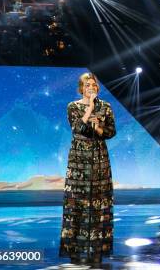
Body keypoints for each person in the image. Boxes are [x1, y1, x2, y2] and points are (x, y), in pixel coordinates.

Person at [59, 72, 116, 264]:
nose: (91, 87)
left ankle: (97, 247)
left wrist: (99, 128)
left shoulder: (106, 106)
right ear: (81, 88)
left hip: (99, 157)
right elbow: (77, 128)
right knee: (77, 201)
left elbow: (110, 131)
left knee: (98, 200)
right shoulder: (73, 106)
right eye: (87, 84)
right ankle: (75, 248)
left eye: (94, 84)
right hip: (79, 159)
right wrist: (90, 108)